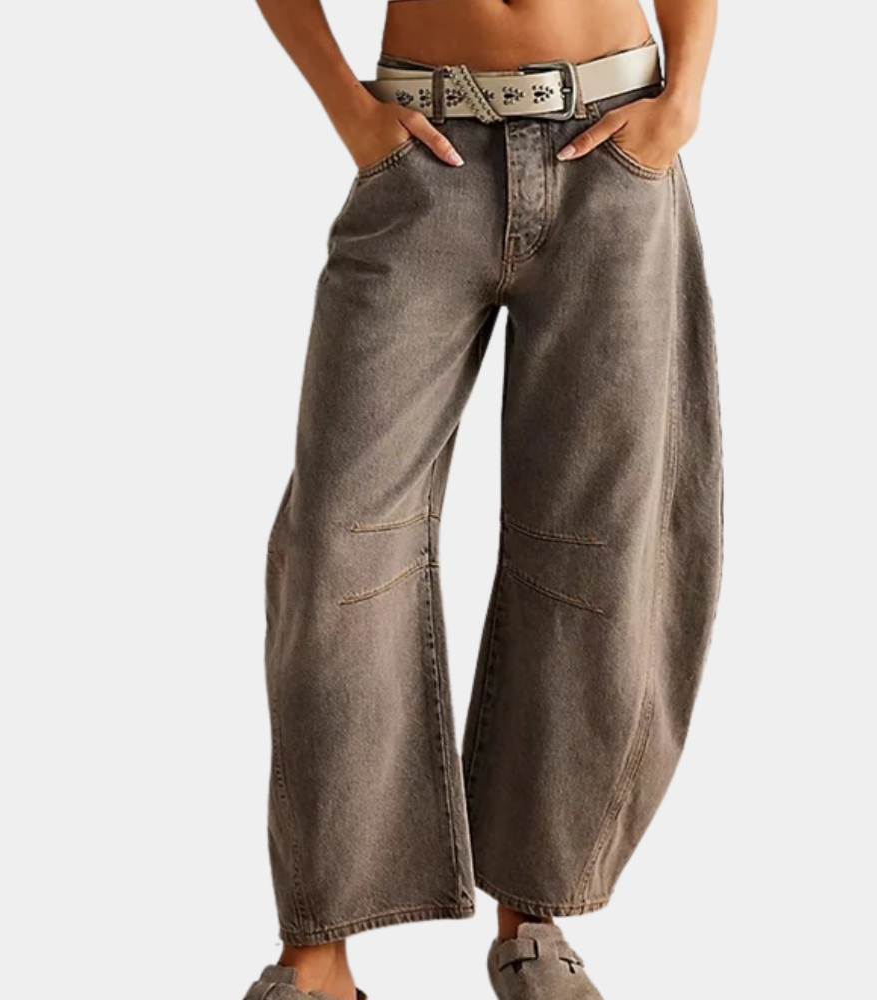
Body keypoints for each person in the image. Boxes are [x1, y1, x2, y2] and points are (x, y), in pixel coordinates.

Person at [244, 0, 722, 997]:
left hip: (612, 150)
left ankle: (532, 921)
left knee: (590, 542)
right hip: (422, 157)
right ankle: (320, 951)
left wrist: (681, 97)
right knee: (337, 542)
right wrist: (350, 110)